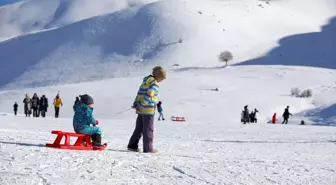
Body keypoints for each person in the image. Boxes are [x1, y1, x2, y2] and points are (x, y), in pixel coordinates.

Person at [127, 66, 166, 153]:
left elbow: (139, 94)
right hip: (148, 110)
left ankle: (132, 145)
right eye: (162, 78)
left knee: (139, 128)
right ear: (158, 76)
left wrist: (136, 103)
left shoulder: (145, 83)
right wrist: (141, 105)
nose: (162, 80)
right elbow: (149, 95)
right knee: (148, 129)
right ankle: (148, 148)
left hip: (141, 110)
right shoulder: (154, 84)